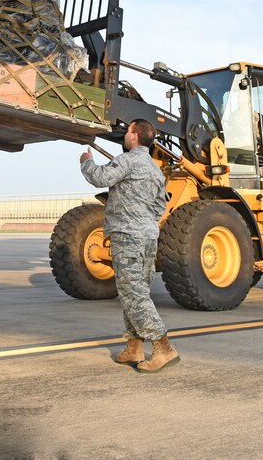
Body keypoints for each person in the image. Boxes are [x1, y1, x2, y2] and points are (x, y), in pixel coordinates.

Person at [79, 119, 180, 373]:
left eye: (128, 131)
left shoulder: (127, 160)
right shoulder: (155, 169)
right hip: (147, 236)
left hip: (128, 236)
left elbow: (100, 178)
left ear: (134, 136)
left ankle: (163, 347)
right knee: (136, 291)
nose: (125, 135)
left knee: (133, 294)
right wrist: (143, 220)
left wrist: (86, 161)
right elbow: (160, 206)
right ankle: (134, 347)